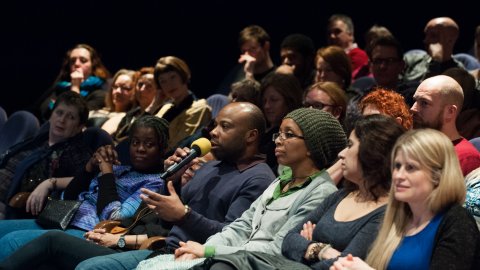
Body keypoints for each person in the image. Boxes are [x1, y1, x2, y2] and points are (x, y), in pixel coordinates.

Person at [0, 102, 276, 270]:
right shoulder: (213, 165)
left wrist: (180, 213)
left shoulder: (257, 179)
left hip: (170, 252)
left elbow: (231, 237)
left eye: (224, 127)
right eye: (135, 143)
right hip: (144, 241)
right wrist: (176, 178)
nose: (213, 132)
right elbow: (163, 211)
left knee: (74, 260)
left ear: (251, 136)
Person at [134, 108, 347, 270]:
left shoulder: (320, 192)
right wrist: (201, 250)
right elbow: (240, 227)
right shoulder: (281, 180)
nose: (278, 141)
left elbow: (277, 248)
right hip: (230, 257)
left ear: (312, 146)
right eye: (279, 134)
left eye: (288, 135)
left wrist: (208, 250)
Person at [196, 114, 405, 270]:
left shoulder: (325, 192)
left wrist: (311, 248)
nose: (278, 140)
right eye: (280, 133)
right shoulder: (337, 195)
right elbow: (289, 239)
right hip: (248, 260)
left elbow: (343, 264)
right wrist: (207, 249)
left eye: (350, 145)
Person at [0, 115, 169, 260]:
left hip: (89, 232)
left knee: (11, 241)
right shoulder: (120, 169)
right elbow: (69, 195)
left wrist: (106, 173)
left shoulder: (155, 183)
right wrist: (89, 167)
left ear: (162, 149)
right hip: (63, 218)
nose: (140, 149)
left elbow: (116, 217)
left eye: (149, 144)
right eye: (135, 142)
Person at [331, 129, 480, 270]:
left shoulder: (457, 222)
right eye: (397, 166)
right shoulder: (397, 215)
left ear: (438, 175)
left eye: (410, 167)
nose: (398, 175)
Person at [0, 91, 93, 218]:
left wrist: (50, 183)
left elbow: (86, 179)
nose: (62, 120)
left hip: (11, 206)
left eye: (70, 117)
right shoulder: (37, 140)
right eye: (59, 113)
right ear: (51, 116)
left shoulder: (75, 151)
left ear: (79, 127)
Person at [411, 75, 480, 176]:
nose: (413, 108)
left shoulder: (466, 158)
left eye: (424, 103)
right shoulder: (413, 147)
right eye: (415, 101)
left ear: (450, 112)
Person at [35, 44, 111, 121]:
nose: (76, 64)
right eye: (72, 61)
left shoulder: (100, 92)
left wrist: (75, 86)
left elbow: (75, 117)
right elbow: (40, 110)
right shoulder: (60, 87)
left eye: (83, 60)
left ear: (93, 65)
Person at [154, 56, 212, 152]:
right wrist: (155, 104)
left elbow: (178, 146)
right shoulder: (165, 107)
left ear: (183, 75)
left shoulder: (200, 108)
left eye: (173, 77)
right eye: (163, 81)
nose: (169, 85)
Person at [259, 72, 303, 175]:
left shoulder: (295, 135)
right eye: (264, 101)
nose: (267, 106)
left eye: (273, 100)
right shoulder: (264, 133)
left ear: (290, 101)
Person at [403, 17, 465, 83]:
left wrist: (436, 61)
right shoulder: (412, 59)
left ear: (450, 40)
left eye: (433, 36)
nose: (426, 40)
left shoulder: (458, 72)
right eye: (426, 35)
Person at [112, 67, 165, 142]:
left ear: (159, 91)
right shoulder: (131, 114)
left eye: (149, 86)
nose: (142, 89)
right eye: (140, 84)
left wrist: (152, 106)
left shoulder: (161, 115)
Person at [217, 25, 276, 93]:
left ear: (266, 46)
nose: (247, 55)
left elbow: (259, 101)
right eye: (244, 51)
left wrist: (249, 75)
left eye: (253, 49)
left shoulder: (277, 76)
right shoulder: (238, 71)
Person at [327, 14, 369, 80]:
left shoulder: (359, 56)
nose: (332, 36)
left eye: (337, 32)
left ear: (350, 34)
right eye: (329, 33)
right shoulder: (329, 57)